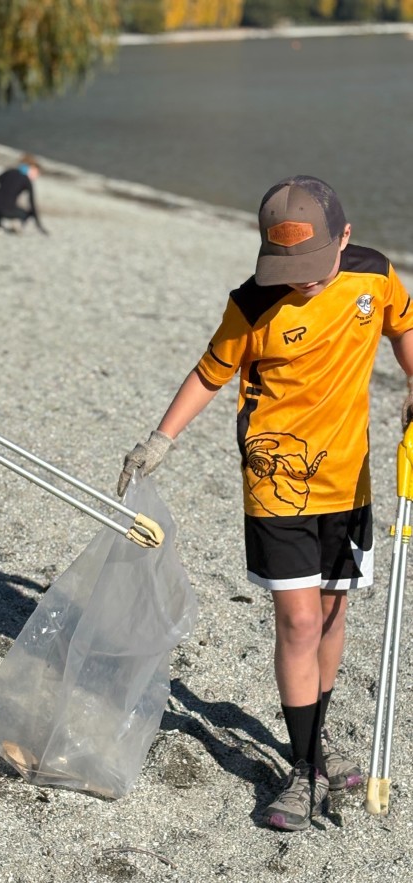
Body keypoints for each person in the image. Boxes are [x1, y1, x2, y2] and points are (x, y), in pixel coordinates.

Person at [117, 175, 413, 831]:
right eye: (287, 267)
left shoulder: (375, 277)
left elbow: (404, 328)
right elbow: (208, 373)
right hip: (275, 484)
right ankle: (302, 764)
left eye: (312, 266)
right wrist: (161, 439)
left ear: (346, 237)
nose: (300, 280)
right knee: (301, 623)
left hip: (350, 481)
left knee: (334, 616)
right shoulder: (252, 305)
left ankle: (316, 736)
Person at [0, 154, 48, 234]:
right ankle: (17, 224)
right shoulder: (26, 180)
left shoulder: (9, 171)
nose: (36, 175)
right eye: (36, 172)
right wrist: (39, 225)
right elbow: (32, 204)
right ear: (30, 168)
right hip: (7, 210)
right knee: (27, 212)